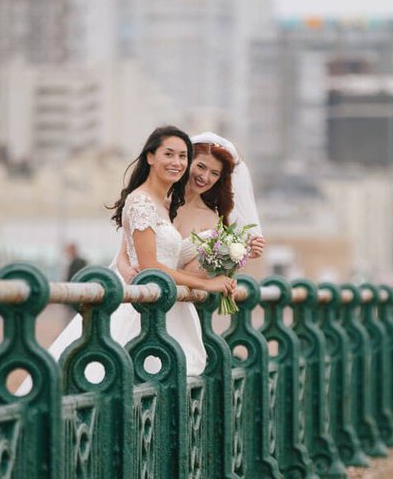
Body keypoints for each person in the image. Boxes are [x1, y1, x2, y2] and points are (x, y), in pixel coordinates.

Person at [21, 126, 234, 394]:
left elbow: (137, 252)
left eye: (182, 156)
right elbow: (150, 267)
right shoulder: (141, 202)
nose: (177, 162)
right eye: (169, 154)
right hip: (140, 303)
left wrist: (226, 259)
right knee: (122, 379)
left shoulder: (165, 203)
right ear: (150, 157)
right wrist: (205, 285)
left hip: (163, 302)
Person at [116, 132, 265, 280]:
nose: (205, 177)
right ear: (187, 162)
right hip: (137, 287)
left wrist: (238, 254)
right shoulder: (152, 201)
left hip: (174, 294)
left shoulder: (212, 221)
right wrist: (125, 270)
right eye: (201, 166)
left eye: (214, 173)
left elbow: (200, 273)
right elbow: (126, 249)